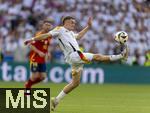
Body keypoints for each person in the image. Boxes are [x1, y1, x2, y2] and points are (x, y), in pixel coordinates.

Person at [24, 16, 128, 110]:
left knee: (75, 83)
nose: (74, 24)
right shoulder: (60, 29)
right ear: (65, 23)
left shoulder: (70, 33)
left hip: (75, 58)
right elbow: (46, 35)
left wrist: (88, 27)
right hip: (75, 55)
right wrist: (32, 39)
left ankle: (56, 100)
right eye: (72, 22)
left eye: (74, 23)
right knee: (97, 57)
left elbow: (78, 36)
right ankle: (121, 56)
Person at [24, 20, 52, 90]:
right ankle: (27, 89)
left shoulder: (49, 36)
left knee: (43, 77)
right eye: (46, 24)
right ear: (43, 26)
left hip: (42, 59)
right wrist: (39, 52)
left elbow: (45, 46)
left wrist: (48, 52)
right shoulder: (39, 35)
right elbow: (31, 45)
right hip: (35, 58)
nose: (48, 26)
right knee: (35, 76)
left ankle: (28, 84)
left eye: (49, 25)